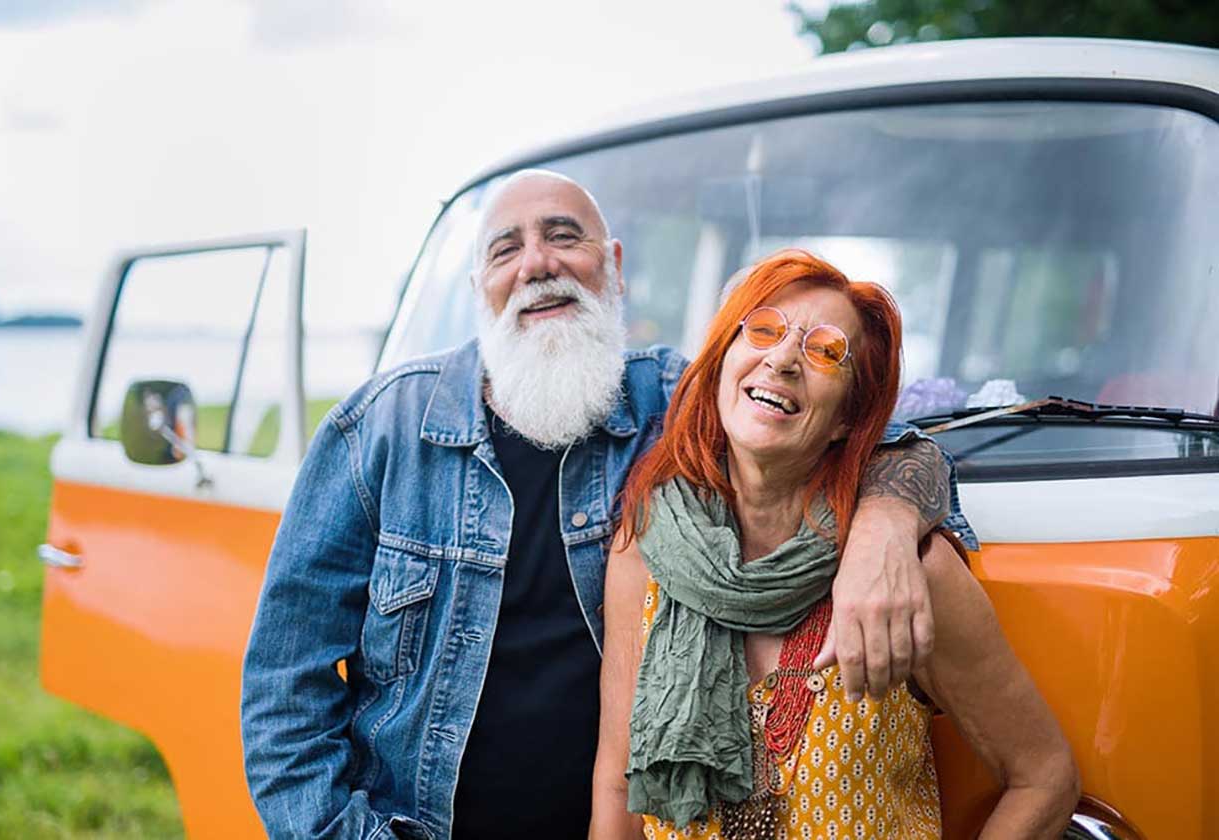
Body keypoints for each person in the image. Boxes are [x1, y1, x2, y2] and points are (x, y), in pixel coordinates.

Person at [240, 171, 977, 839]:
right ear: (481, 291)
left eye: (565, 237)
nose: (538, 264)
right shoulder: (379, 430)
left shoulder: (680, 404)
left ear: (614, 265)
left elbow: (868, 434)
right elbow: (283, 691)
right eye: (506, 250)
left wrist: (884, 527)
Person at [590, 251, 1078, 839]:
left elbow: (1044, 776)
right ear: (723, 361)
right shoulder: (644, 549)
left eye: (824, 351)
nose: (783, 359)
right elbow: (620, 787)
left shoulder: (910, 572)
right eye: (764, 329)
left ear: (848, 417)